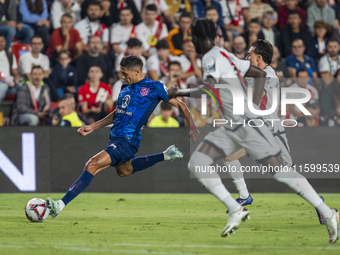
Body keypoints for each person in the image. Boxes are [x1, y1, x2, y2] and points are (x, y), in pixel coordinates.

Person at [167, 18, 339, 241]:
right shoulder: (229, 59)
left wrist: (180, 92)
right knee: (212, 160)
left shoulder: (254, 69)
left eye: (249, 54)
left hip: (263, 129)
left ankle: (325, 209)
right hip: (242, 126)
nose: (246, 57)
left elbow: (213, 86)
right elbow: (244, 78)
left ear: (197, 38)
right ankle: (241, 201)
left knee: (284, 174)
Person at [46, 55, 199, 219]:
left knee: (92, 164)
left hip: (127, 141)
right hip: (115, 138)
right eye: (121, 73)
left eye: (125, 74)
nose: (122, 77)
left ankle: (59, 206)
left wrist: (192, 127)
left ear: (137, 71)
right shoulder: (124, 87)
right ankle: (165, 155)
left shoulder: (155, 87)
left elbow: (181, 105)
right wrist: (93, 126)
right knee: (125, 171)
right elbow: (117, 113)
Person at [0, 34, 19, 106]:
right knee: (2, 88)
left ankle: (18, 113)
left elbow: (15, 72)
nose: (0, 43)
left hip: (10, 82)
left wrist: (16, 80)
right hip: (1, 82)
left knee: (24, 87)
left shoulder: (10, 55)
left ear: (5, 42)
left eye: (2, 41)